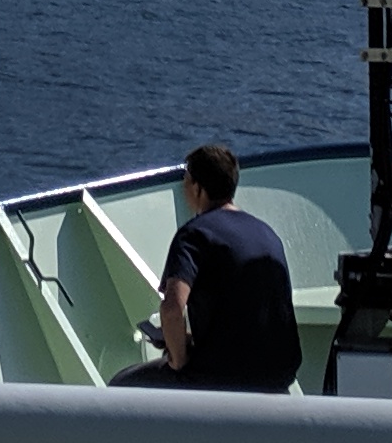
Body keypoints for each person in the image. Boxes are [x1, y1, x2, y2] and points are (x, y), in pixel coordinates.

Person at [115, 142, 302, 392]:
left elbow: (171, 308)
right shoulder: (267, 234)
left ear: (198, 188)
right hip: (278, 375)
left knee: (121, 386)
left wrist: (178, 361)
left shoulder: (195, 235)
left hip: (222, 376)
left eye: (186, 181)